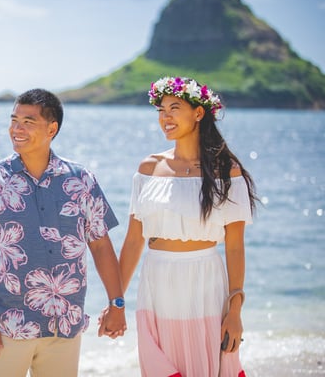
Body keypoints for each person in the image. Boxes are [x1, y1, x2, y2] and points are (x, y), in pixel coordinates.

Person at [0, 88, 126, 377]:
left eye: (28, 121)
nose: (17, 129)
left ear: (52, 129)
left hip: (65, 323)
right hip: (7, 325)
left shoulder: (81, 181)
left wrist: (117, 303)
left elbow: (101, 246)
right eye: (14, 120)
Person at [104, 76, 258, 377]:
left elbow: (235, 246)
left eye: (175, 108)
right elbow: (134, 241)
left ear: (198, 113)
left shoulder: (226, 171)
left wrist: (235, 310)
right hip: (156, 282)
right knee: (160, 365)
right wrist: (116, 302)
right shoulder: (148, 168)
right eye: (161, 110)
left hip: (205, 284)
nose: (166, 117)